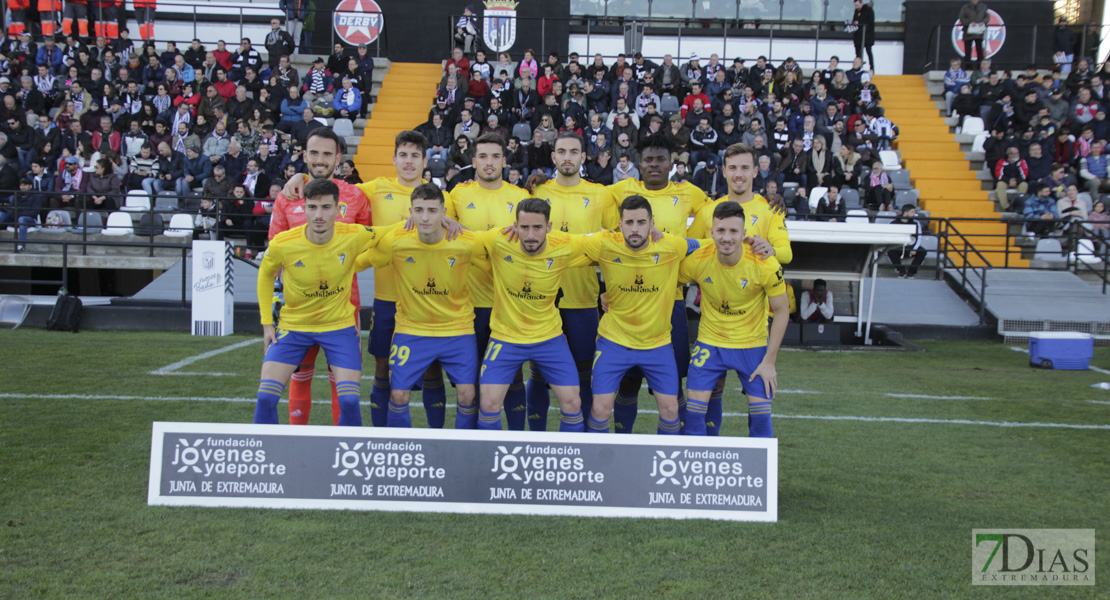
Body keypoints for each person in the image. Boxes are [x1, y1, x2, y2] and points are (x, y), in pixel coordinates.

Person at [283, 130, 452, 429]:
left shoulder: (444, 198)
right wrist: (300, 177)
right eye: (403, 155)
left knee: (431, 371)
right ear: (394, 159)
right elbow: (329, 189)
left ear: (425, 161)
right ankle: (380, 437)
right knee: (382, 368)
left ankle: (435, 437)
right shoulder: (371, 190)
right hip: (388, 298)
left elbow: (463, 233)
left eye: (415, 156)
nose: (409, 161)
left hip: (430, 299)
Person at [253, 179, 396, 426]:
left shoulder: (353, 235)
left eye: (326, 207)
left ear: (338, 209)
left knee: (350, 402)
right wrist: (267, 323)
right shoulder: (283, 243)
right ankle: (268, 457)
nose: (319, 215)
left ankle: (349, 457)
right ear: (304, 208)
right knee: (265, 397)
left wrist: (435, 221)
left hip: (339, 328)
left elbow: (394, 231)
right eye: (312, 207)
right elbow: (265, 274)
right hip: (294, 328)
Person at [603, 135, 712, 433]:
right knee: (628, 382)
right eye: (648, 159)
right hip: (627, 301)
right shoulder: (622, 190)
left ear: (671, 164)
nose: (654, 164)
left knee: (672, 383)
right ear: (639, 163)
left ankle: (674, 445)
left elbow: (720, 210)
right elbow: (586, 195)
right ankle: (623, 440)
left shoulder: (689, 193)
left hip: (669, 301)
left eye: (660, 159)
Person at [267, 128, 371, 425]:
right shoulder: (289, 196)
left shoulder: (355, 195)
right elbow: (274, 252)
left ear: (339, 158)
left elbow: (366, 246)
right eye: (314, 153)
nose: (320, 159)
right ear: (304, 155)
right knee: (300, 375)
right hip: (298, 311)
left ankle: (344, 447)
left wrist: (341, 263)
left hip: (343, 307)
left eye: (328, 153)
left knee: (342, 381)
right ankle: (297, 442)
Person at [578, 195, 701, 435]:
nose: (635, 229)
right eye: (630, 222)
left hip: (657, 344)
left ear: (652, 223)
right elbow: (560, 242)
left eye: (641, 222)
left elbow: (710, 244)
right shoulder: (604, 243)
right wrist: (520, 231)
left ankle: (666, 465)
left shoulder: (671, 244)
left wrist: (754, 244)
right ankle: (599, 466)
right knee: (601, 409)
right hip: (613, 342)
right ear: (620, 224)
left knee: (670, 410)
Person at [358, 184, 475, 428]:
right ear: (410, 211)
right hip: (411, 330)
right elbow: (359, 261)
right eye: (419, 210)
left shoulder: (466, 241)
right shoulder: (396, 241)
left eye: (432, 211)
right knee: (398, 395)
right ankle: (402, 452)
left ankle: (460, 451)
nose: (424, 217)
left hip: (457, 329)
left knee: (468, 395)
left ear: (444, 213)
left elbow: (499, 251)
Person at [470, 198, 591, 431]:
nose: (530, 235)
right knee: (488, 402)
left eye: (537, 227)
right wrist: (446, 222)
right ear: (515, 225)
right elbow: (460, 239)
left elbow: (607, 242)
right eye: (524, 227)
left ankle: (565, 463)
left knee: (573, 402)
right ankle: (492, 463)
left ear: (549, 226)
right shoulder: (498, 239)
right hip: (506, 337)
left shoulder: (564, 244)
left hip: (549, 338)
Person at [525, 132, 612, 431]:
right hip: (541, 299)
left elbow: (614, 242)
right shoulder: (536, 191)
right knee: (537, 371)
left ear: (583, 157)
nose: (567, 157)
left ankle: (585, 437)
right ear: (553, 156)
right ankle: (536, 437)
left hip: (582, 298)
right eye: (561, 151)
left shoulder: (601, 194)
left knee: (585, 372)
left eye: (574, 151)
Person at [444, 133, 530, 429]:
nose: (489, 163)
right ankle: (469, 443)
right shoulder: (458, 195)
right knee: (468, 380)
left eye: (495, 157)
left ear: (505, 161)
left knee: (513, 375)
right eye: (483, 157)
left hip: (509, 302)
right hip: (468, 303)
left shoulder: (521, 197)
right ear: (473, 161)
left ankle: (516, 438)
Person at [681, 201, 789, 437]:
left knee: (761, 418)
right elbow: (664, 278)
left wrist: (769, 362)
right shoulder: (699, 260)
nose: (726, 237)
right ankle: (698, 469)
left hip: (752, 345)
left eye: (733, 231)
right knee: (693, 414)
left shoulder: (764, 263)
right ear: (712, 233)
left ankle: (758, 473)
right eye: (721, 231)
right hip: (711, 342)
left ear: (744, 234)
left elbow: (782, 311)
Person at [887, 204, 927, 278]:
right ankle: (901, 271)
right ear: (906, 212)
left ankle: (911, 272)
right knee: (890, 251)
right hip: (897, 246)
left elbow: (919, 237)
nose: (914, 214)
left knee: (922, 251)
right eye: (912, 212)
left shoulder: (916, 223)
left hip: (911, 246)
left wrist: (914, 248)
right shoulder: (893, 222)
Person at [958, 0, 989, 69]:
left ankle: (979, 66)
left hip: (979, 32)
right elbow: (961, 17)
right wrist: (969, 23)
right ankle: (968, 66)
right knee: (968, 50)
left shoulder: (983, 6)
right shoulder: (965, 7)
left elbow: (987, 17)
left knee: (979, 50)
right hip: (968, 32)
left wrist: (983, 22)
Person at [851, 0, 875, 71]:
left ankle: (871, 67)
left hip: (867, 35)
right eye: (855, 5)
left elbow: (870, 21)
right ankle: (858, 67)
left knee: (868, 51)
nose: (856, 7)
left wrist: (859, 22)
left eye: (857, 5)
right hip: (858, 35)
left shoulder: (868, 10)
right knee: (858, 52)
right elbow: (854, 20)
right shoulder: (856, 11)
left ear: (861, 3)